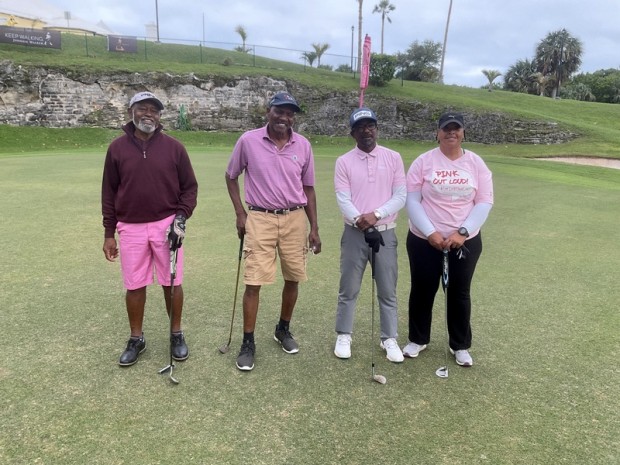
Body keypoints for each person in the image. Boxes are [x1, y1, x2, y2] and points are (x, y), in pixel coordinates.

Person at [225, 91, 321, 371]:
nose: (285, 117)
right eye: (280, 111)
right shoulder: (248, 140)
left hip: (294, 219)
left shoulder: (303, 145)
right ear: (269, 111)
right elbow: (231, 176)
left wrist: (314, 227)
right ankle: (247, 342)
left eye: (290, 113)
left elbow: (309, 188)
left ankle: (282, 329)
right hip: (260, 218)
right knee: (253, 281)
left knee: (293, 277)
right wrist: (240, 213)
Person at [102, 91, 198, 367]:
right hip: (130, 227)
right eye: (143, 109)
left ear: (159, 115)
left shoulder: (174, 147)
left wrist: (180, 218)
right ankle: (136, 338)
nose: (149, 114)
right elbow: (109, 192)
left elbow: (189, 188)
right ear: (131, 112)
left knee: (172, 283)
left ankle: (176, 334)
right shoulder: (117, 148)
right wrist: (109, 233)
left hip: (166, 225)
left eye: (154, 110)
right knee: (134, 286)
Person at [404, 112, 493, 367]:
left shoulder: (476, 164)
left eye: (456, 128)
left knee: (459, 293)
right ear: (437, 132)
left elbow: (484, 201)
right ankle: (418, 339)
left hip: (465, 240)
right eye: (446, 129)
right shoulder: (423, 161)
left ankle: (460, 345)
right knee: (422, 290)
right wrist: (430, 232)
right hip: (423, 239)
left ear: (463, 132)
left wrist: (462, 232)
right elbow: (412, 200)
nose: (451, 133)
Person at [333, 107, 406, 363]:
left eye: (371, 125)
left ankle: (389, 338)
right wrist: (362, 221)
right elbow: (343, 199)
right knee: (349, 288)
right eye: (361, 127)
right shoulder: (344, 161)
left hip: (385, 233)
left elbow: (400, 196)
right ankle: (344, 334)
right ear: (353, 132)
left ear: (377, 129)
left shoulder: (393, 157)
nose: (367, 130)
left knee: (387, 289)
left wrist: (376, 215)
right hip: (354, 233)